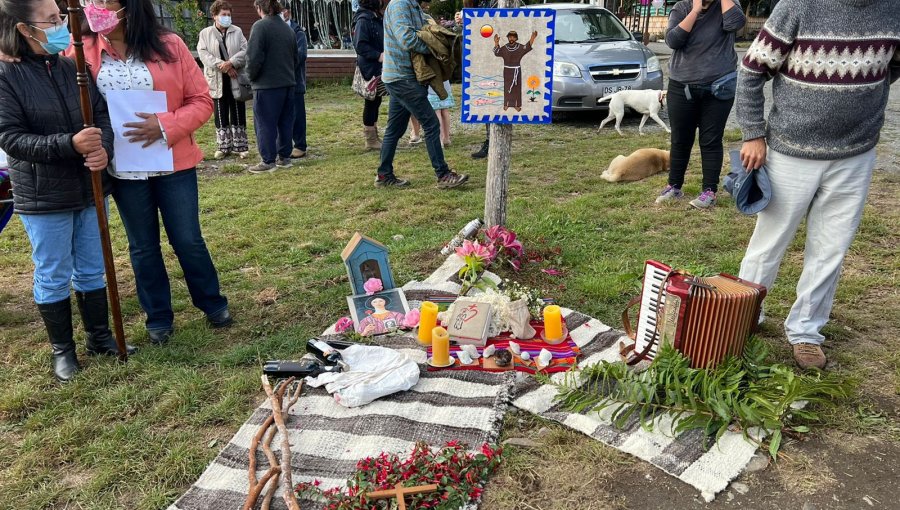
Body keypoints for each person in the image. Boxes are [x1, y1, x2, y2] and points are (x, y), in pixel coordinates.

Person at [736, 0, 899, 369]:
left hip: (857, 154)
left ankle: (807, 332)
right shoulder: (798, 5)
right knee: (770, 242)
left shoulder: (894, 10)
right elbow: (751, 71)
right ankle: (744, 316)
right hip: (790, 152)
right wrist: (752, 134)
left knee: (831, 249)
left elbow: (890, 67)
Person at [76, 0, 231, 345]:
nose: (95, 8)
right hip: (123, 168)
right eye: (91, 2)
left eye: (104, 2)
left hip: (172, 162)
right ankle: (158, 316)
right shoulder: (81, 51)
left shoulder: (170, 44)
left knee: (188, 239)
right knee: (143, 246)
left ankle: (211, 302)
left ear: (127, 6)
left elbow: (201, 100)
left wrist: (165, 125)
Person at [0, 0, 137, 381]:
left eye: (62, 17)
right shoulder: (5, 76)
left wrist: (102, 148)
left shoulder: (70, 67)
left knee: (93, 267)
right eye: (53, 20)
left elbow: (101, 116)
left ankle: (99, 337)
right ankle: (63, 349)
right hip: (43, 195)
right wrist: (70, 145)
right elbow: (11, 138)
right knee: (54, 271)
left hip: (88, 187)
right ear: (25, 30)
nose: (64, 26)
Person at [656, 0, 745, 209]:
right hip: (682, 85)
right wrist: (696, 10)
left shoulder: (730, 5)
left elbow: (735, 24)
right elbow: (673, 40)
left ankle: (709, 191)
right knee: (680, 139)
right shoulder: (682, 7)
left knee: (711, 140)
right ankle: (674, 186)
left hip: (719, 86)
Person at [376, 0, 468, 188]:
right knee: (432, 123)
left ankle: (384, 176)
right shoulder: (400, 5)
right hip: (403, 78)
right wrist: (436, 49)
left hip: (400, 77)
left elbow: (426, 31)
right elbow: (406, 39)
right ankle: (443, 175)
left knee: (395, 129)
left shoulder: (414, 6)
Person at [246, 0, 298, 173]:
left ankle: (268, 160)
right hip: (288, 83)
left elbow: (253, 57)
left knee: (265, 124)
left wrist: (251, 78)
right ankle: (285, 157)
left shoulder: (260, 27)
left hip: (266, 85)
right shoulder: (288, 29)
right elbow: (295, 58)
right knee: (285, 122)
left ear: (260, 8)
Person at [197, 0, 250, 160]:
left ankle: (241, 146)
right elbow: (204, 55)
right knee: (220, 112)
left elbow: (245, 51)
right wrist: (223, 65)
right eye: (223, 14)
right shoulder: (205, 34)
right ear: (214, 16)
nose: (226, 17)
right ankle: (223, 146)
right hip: (217, 79)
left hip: (235, 78)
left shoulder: (237, 31)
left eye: (228, 14)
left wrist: (231, 63)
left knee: (238, 110)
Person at [353, 0, 385, 151]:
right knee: (371, 101)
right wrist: (378, 55)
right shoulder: (364, 19)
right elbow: (360, 45)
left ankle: (373, 136)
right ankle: (370, 139)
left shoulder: (373, 16)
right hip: (370, 68)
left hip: (375, 67)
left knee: (375, 101)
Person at [284, 7, 308, 159]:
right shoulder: (274, 29)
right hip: (280, 80)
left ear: (289, 12)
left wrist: (283, 64)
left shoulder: (298, 32)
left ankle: (300, 145)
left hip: (295, 80)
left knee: (297, 115)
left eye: (283, 9)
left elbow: (301, 55)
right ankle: (285, 144)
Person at [492, 30, 538, 112]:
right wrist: (496, 42)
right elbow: (497, 53)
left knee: (516, 89)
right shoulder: (505, 47)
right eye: (510, 37)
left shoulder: (519, 47)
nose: (511, 38)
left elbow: (527, 47)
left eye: (513, 37)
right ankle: (507, 104)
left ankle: (516, 105)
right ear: (508, 38)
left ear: (516, 38)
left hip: (517, 71)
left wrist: (532, 38)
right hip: (507, 71)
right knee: (507, 88)